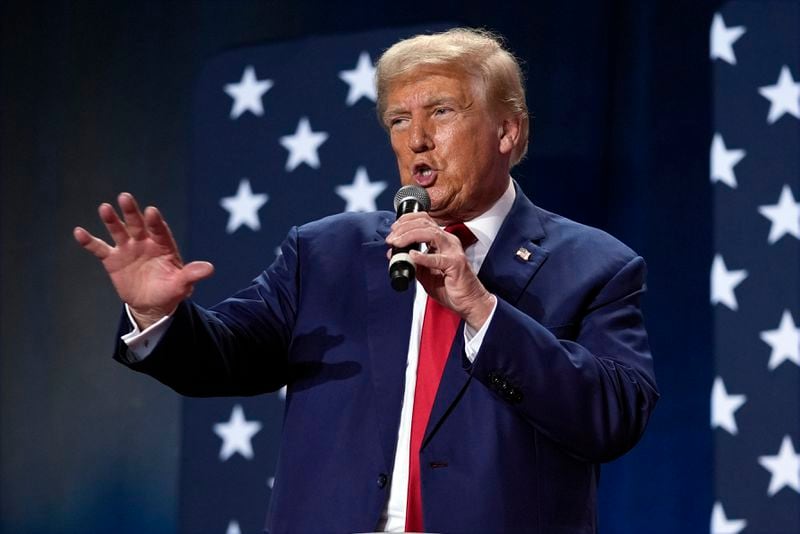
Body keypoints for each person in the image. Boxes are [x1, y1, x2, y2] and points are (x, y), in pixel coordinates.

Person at [74, 28, 658, 534]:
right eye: (399, 120)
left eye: (442, 112)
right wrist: (158, 316)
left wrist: (483, 310)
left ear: (509, 132)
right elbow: (225, 357)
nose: (416, 139)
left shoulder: (594, 266)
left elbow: (613, 416)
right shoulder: (326, 253)